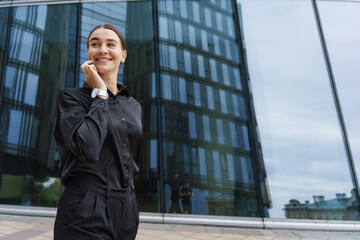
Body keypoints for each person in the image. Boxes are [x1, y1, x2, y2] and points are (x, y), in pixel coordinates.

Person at [53, 24, 142, 240]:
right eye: (95, 44)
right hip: (85, 207)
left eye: (110, 44)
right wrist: (100, 94)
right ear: (88, 54)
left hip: (127, 207)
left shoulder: (134, 105)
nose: (102, 49)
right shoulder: (70, 99)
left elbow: (132, 158)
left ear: (123, 56)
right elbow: (88, 148)